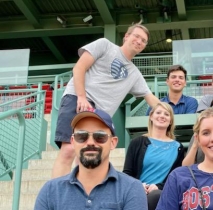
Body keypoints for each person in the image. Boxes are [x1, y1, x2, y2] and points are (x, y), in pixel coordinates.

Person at [19, 109, 148, 210]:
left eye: (100, 136)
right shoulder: (51, 190)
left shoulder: (131, 188)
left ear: (113, 142)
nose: (90, 142)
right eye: (82, 136)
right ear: (73, 141)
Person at [52, 21, 160, 179]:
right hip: (78, 98)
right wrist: (81, 97)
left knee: (89, 158)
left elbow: (151, 98)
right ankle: (56, 198)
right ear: (126, 36)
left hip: (101, 115)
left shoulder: (135, 74)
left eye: (144, 41)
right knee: (69, 150)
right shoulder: (105, 45)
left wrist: (168, 112)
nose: (139, 41)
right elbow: (79, 67)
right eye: (137, 36)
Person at [123, 102, 184, 210]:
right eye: (158, 113)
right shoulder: (137, 142)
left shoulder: (178, 147)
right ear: (151, 116)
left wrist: (158, 187)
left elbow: (175, 177)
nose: (162, 116)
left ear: (170, 120)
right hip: (137, 191)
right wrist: (139, 186)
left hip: (163, 193)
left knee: (155, 196)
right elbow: (127, 173)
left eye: (166, 114)